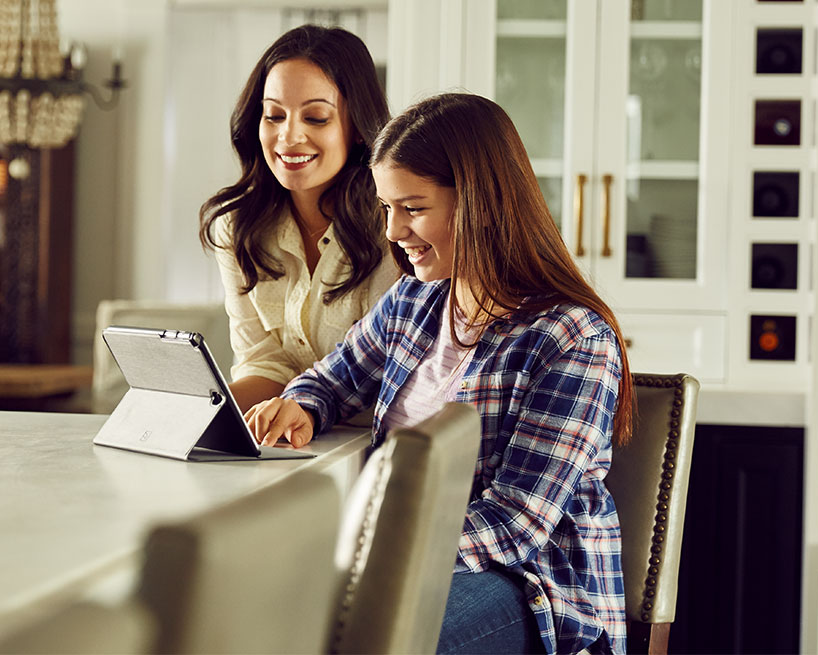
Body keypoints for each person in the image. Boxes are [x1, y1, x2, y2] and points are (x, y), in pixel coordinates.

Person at [244, 93, 636, 655]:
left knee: (358, 638)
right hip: (405, 557)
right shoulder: (417, 299)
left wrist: (369, 552)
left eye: (414, 208)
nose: (393, 231)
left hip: (531, 588)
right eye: (386, 208)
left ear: (480, 203)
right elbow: (334, 378)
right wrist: (301, 404)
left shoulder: (572, 337)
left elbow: (515, 523)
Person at [199, 25, 400, 411]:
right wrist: (201, 411)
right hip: (288, 441)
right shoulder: (236, 228)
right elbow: (262, 363)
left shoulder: (394, 225)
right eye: (273, 115)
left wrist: (302, 406)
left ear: (357, 126)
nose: (288, 137)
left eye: (316, 118)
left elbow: (385, 369)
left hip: (370, 446)